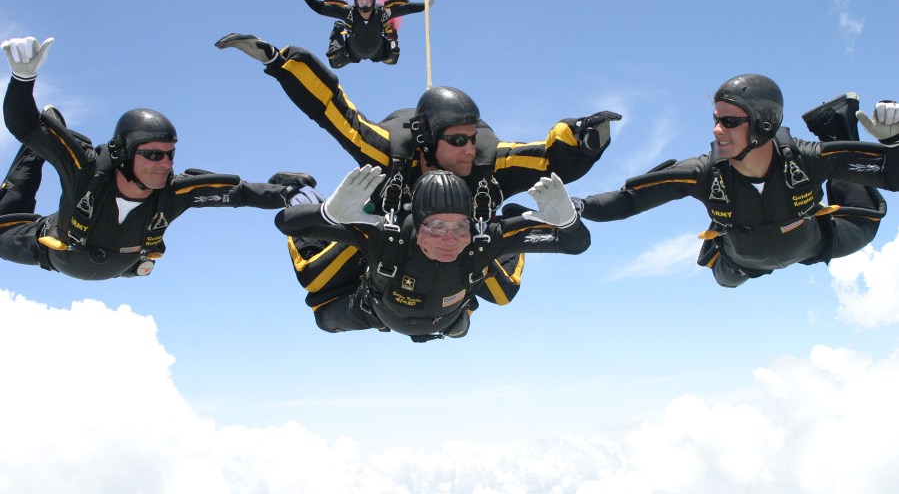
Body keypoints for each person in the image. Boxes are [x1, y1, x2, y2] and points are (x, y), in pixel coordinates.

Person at [215, 33, 619, 331]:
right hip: (378, 236)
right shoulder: (390, 152)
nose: (468, 150)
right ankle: (300, 191)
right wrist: (282, 61)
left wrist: (582, 139)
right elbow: (336, 113)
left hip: (455, 249)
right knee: (316, 280)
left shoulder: (488, 162)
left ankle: (496, 238)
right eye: (456, 140)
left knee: (500, 295)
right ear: (426, 140)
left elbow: (546, 157)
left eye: (472, 139)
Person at [0, 36, 314, 280]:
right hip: (49, 249)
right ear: (122, 154)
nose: (165, 164)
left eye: (170, 155)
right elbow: (23, 125)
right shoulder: (86, 171)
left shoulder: (174, 193)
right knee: (13, 201)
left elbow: (240, 193)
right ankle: (51, 125)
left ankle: (51, 131)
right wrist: (22, 80)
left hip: (113, 265)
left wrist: (289, 194)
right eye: (153, 155)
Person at [575, 73, 899, 287]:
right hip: (738, 263)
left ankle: (836, 123)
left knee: (864, 223)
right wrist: (578, 207)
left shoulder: (804, 160)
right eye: (716, 120)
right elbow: (632, 198)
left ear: (764, 123)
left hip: (816, 243)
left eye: (729, 121)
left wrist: (894, 142)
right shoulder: (703, 173)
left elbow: (888, 172)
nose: (717, 130)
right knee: (725, 281)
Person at [275, 165, 590, 341]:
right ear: (415, 225)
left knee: (498, 297)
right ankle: (302, 193)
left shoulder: (481, 238)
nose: (449, 240)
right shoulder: (388, 235)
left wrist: (567, 222)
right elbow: (288, 223)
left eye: (460, 227)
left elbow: (575, 244)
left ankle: (457, 318)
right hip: (374, 309)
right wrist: (330, 212)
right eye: (435, 227)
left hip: (437, 315)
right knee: (318, 299)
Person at [293, 0, 437, 68]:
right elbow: (321, 8)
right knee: (334, 63)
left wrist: (426, 5)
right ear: (356, 0)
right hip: (351, 53)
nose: (364, 2)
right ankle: (338, 31)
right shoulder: (348, 12)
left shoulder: (381, 12)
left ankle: (391, 38)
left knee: (393, 59)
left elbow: (407, 8)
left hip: (379, 51)